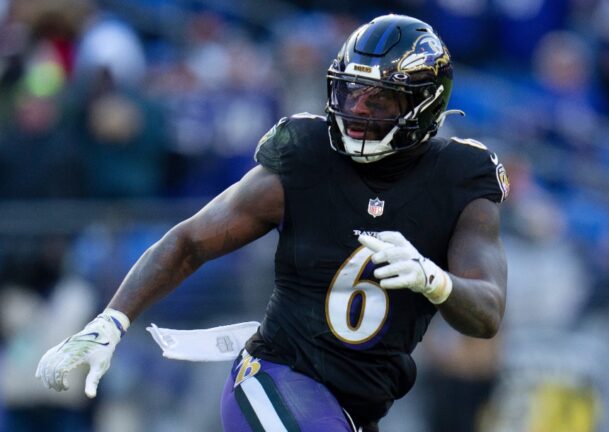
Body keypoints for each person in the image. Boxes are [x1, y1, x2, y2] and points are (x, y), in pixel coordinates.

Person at [35, 14, 509, 432]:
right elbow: (191, 240)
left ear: (424, 104)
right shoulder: (306, 155)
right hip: (278, 376)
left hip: (355, 410)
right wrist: (112, 321)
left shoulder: (460, 178)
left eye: (380, 100)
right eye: (350, 91)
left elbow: (487, 310)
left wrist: (436, 280)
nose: (357, 110)